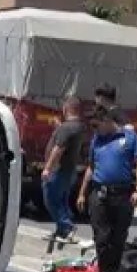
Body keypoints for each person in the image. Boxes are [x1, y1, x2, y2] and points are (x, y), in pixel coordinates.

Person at [76, 108, 137, 272]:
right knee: (102, 239)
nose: (94, 130)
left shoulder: (130, 138)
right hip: (99, 195)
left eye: (96, 125)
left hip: (123, 195)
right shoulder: (96, 141)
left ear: (107, 121)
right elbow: (91, 168)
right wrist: (82, 193)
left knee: (117, 240)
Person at [41, 96, 87, 243]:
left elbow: (59, 148)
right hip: (70, 170)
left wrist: (47, 168)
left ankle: (67, 227)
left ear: (67, 109)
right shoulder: (78, 127)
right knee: (62, 200)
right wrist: (59, 126)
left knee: (51, 199)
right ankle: (61, 231)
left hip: (58, 170)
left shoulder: (66, 128)